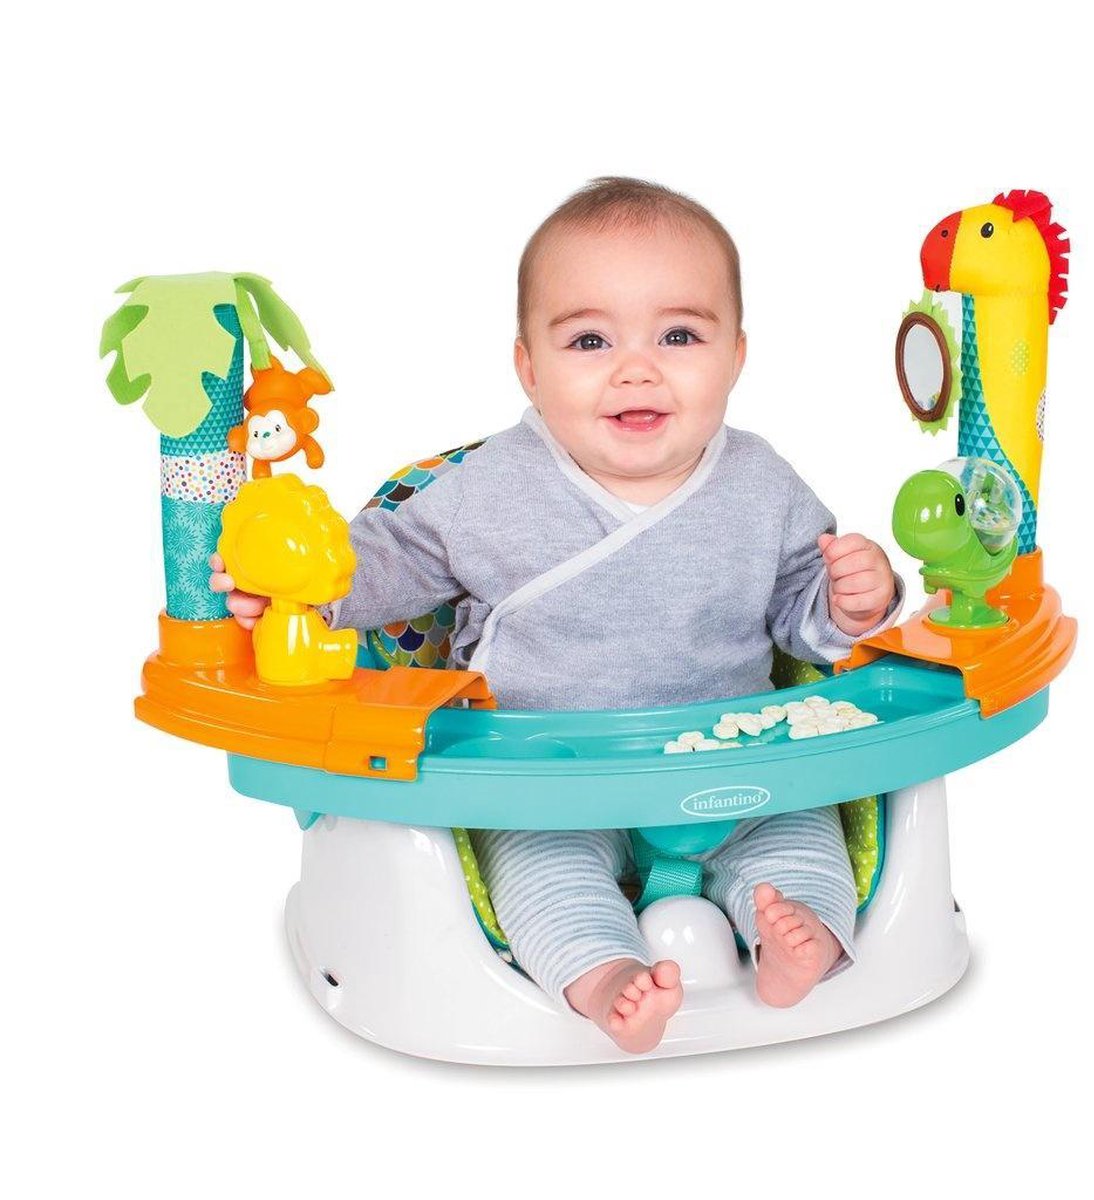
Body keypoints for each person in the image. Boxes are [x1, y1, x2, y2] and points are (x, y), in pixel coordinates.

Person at [212, 177, 903, 1054]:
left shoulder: (762, 482)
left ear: (735, 356)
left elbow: (803, 617)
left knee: (804, 842)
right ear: (529, 368)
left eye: (679, 335)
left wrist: (853, 598)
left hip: (731, 764)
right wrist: (307, 581)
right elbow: (393, 559)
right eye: (589, 340)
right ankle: (607, 979)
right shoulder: (491, 487)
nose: (636, 368)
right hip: (545, 780)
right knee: (543, 880)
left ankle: (796, 940)